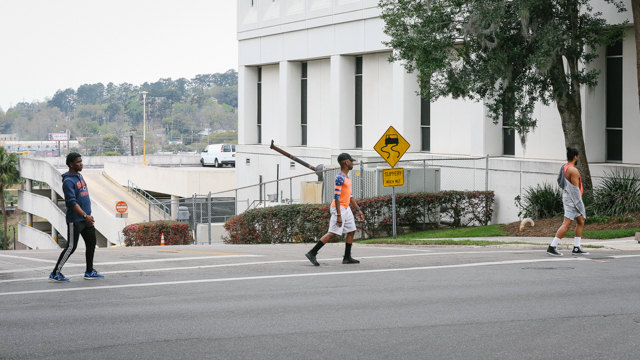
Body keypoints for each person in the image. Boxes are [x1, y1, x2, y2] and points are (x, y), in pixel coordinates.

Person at [49, 152, 104, 282]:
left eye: (81, 161)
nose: (81, 164)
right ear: (71, 164)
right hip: (76, 220)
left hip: (87, 219)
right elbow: (72, 202)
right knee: (71, 247)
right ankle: (55, 273)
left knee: (91, 244)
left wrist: (87, 216)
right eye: (78, 162)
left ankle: (89, 271)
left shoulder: (79, 176)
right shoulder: (68, 181)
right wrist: (85, 215)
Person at [305, 153, 365, 266]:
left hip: (346, 208)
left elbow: (350, 196)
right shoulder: (339, 177)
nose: (352, 163)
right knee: (332, 233)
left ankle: (347, 257)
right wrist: (338, 214)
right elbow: (336, 196)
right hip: (339, 208)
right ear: (346, 162)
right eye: (351, 161)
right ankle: (312, 252)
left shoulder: (346, 177)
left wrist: (358, 210)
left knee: (351, 230)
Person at [547, 147, 589, 256]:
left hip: (568, 197)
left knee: (581, 221)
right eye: (578, 156)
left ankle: (576, 247)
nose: (578, 158)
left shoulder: (564, 167)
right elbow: (575, 189)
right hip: (572, 200)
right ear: (575, 157)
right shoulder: (573, 170)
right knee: (566, 224)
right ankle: (552, 247)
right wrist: (579, 203)